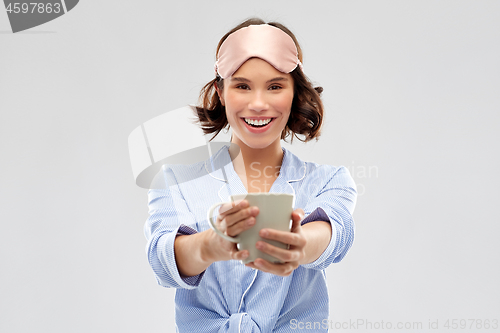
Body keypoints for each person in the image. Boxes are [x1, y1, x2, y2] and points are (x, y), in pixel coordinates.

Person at [144, 18, 357, 332]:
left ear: (295, 92)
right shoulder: (175, 181)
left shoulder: (329, 180)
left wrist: (299, 244)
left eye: (275, 86)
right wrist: (210, 246)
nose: (258, 104)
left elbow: (335, 234)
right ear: (221, 91)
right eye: (242, 86)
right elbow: (163, 260)